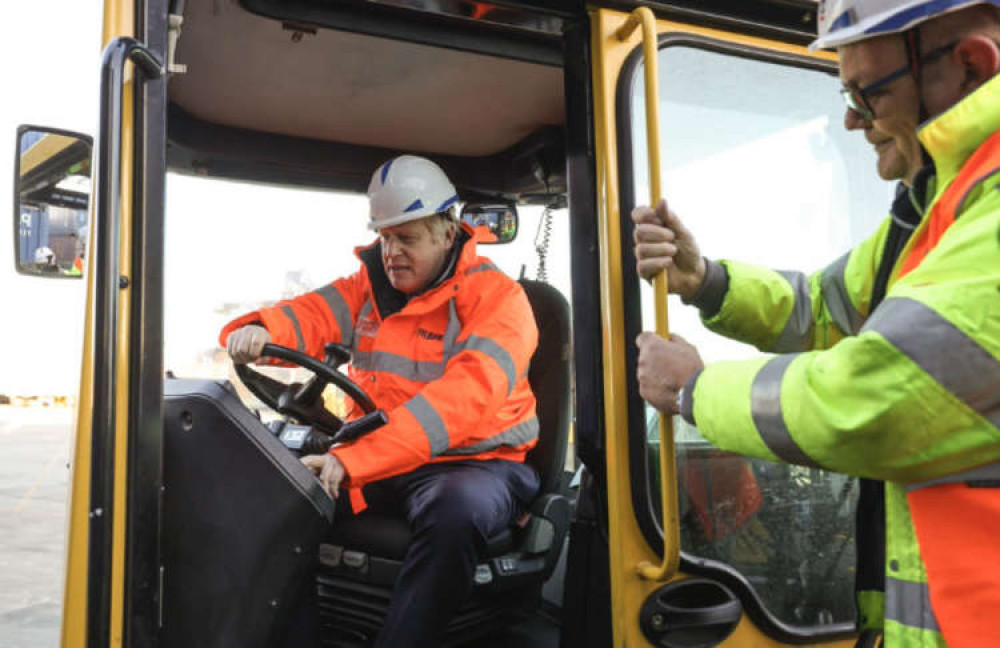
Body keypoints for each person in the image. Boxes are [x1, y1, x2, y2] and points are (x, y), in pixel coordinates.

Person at [632, 1, 1000, 646]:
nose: (853, 118)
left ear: (971, 65)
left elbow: (876, 402)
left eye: (866, 91)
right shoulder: (942, 203)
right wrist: (706, 280)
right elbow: (830, 309)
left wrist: (692, 390)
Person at [220, 154, 540, 647]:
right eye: (386, 237)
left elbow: (461, 402)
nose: (391, 251)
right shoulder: (368, 287)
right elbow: (312, 315)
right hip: (381, 457)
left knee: (456, 513)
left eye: (406, 238)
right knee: (278, 497)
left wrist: (354, 460)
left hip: (476, 463)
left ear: (446, 232)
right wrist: (261, 330)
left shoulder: (499, 302)